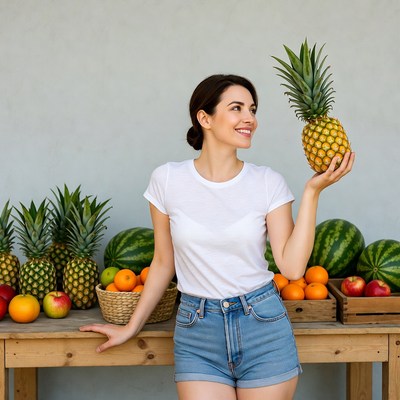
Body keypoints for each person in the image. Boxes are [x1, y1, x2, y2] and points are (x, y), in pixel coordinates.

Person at [80, 74, 355, 400]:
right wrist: (132, 326)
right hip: (197, 331)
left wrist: (312, 192)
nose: (249, 118)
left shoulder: (268, 182)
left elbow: (293, 269)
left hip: (263, 325)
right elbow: (163, 262)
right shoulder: (167, 180)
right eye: (236, 108)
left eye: (252, 109)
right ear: (204, 117)